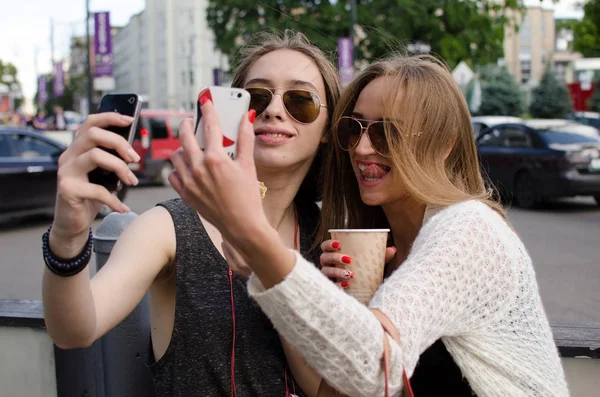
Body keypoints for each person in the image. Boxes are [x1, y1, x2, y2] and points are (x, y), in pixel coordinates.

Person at [168, 53, 569, 397]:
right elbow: (346, 389)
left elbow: (375, 365)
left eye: (386, 133)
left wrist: (260, 246)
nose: (361, 149)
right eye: (353, 128)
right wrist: (337, 304)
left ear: (444, 144)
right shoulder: (381, 246)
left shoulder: (470, 229)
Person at [41, 30, 341, 396]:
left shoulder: (330, 237)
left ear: (328, 129)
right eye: (257, 97)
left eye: (301, 100)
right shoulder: (169, 227)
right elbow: (74, 330)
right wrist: (68, 237)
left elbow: (326, 386)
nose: (274, 110)